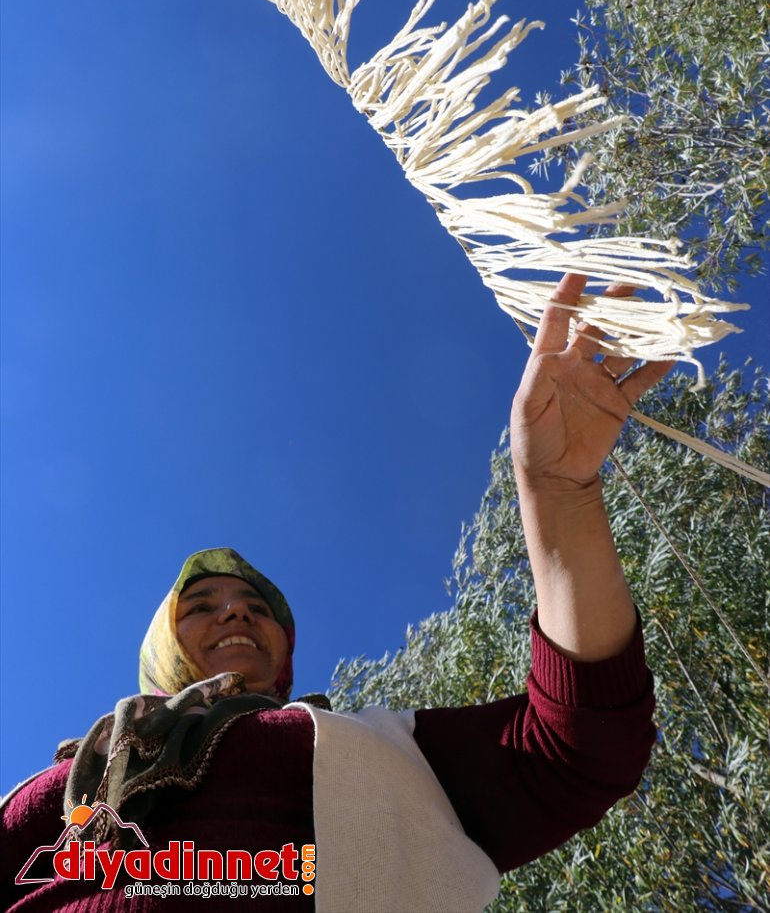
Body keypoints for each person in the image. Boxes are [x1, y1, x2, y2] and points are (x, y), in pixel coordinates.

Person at [1, 274, 672, 912]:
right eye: (200, 606)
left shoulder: (384, 754)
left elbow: (580, 743)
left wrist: (557, 492)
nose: (235, 610)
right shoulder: (58, 783)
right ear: (160, 646)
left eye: (256, 606)